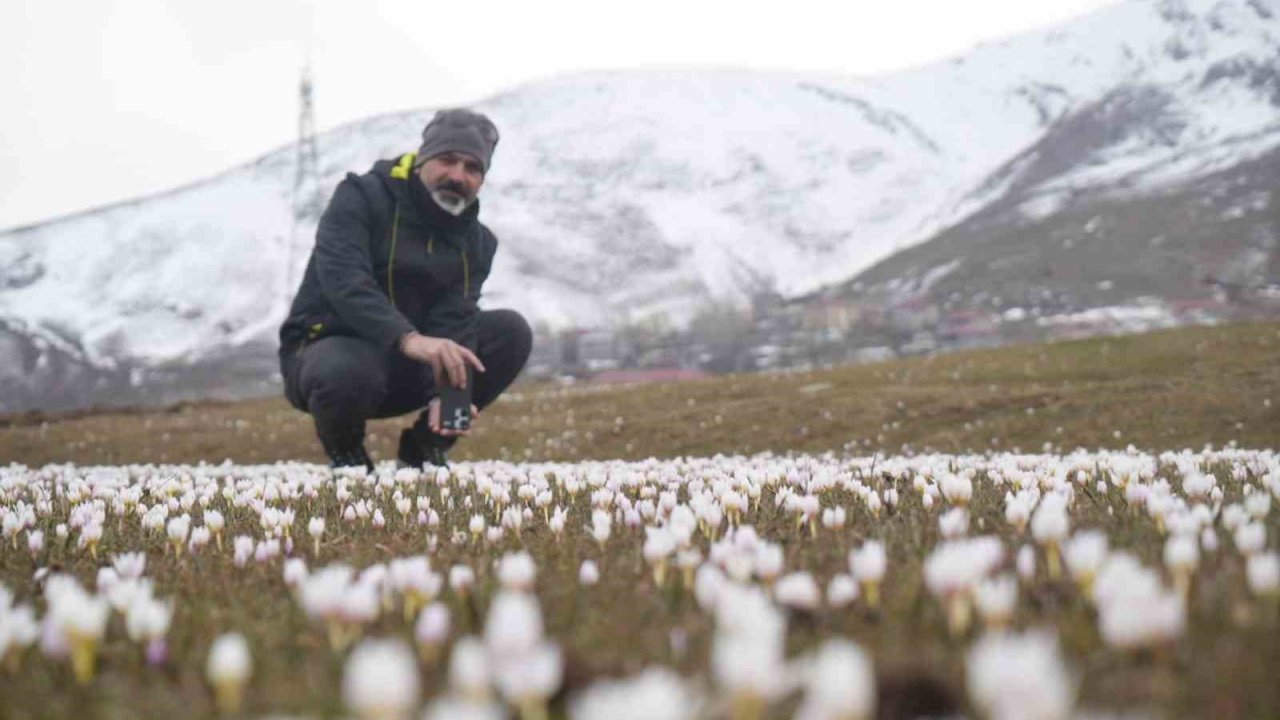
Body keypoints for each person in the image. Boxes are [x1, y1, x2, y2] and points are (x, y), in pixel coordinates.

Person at [278, 108, 532, 470]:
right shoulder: (360, 197)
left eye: (472, 168)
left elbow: (455, 318)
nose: (457, 176)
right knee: (345, 369)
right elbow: (345, 281)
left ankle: (424, 453)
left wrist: (451, 397)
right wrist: (408, 339)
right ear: (422, 158)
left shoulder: (478, 242)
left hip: (409, 368)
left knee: (510, 331)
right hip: (330, 360)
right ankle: (350, 463)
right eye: (447, 160)